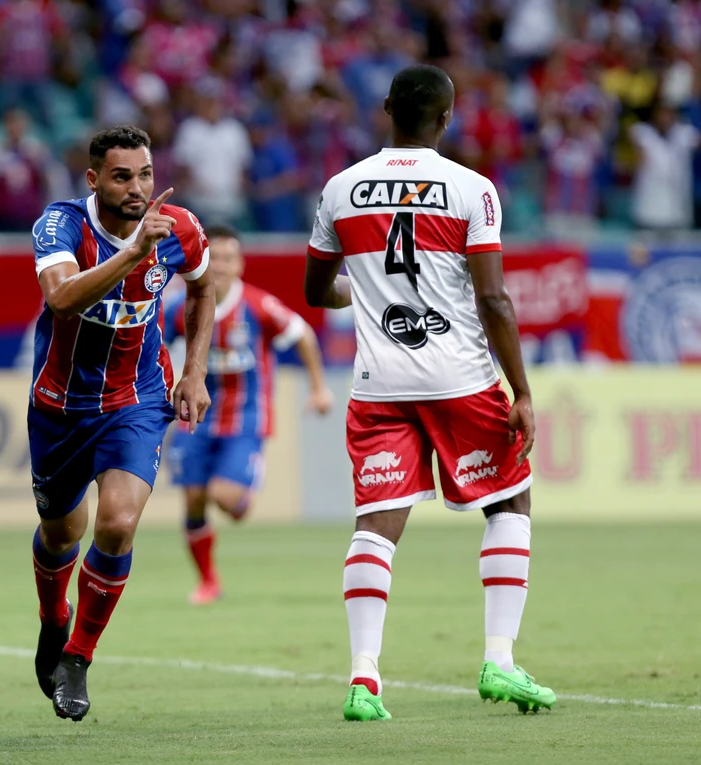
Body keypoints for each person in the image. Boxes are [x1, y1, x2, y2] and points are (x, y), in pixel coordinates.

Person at [303, 64, 555, 722]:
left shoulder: (340, 189)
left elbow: (315, 290)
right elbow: (493, 297)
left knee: (377, 525)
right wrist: (521, 390)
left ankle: (364, 678)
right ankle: (499, 657)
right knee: (510, 500)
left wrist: (356, 290)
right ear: (448, 119)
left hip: (379, 384)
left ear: (385, 108)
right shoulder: (473, 190)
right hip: (460, 380)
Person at [28, 125, 215, 721]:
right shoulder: (60, 225)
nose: (138, 189)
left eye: (145, 175)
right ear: (93, 179)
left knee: (117, 521)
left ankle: (79, 657)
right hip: (59, 406)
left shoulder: (178, 227)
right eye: (122, 176)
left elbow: (205, 288)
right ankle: (54, 619)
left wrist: (194, 372)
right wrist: (133, 252)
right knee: (62, 533)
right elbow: (61, 300)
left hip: (137, 399)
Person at [164, 224, 334, 604]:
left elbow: (303, 334)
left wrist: (319, 388)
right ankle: (208, 581)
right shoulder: (179, 306)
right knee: (192, 500)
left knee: (223, 498)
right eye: (215, 258)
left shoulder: (257, 305)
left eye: (228, 259)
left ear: (240, 265)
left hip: (245, 416)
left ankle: (239, 489)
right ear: (201, 261)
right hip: (194, 418)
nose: (220, 266)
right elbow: (151, 345)